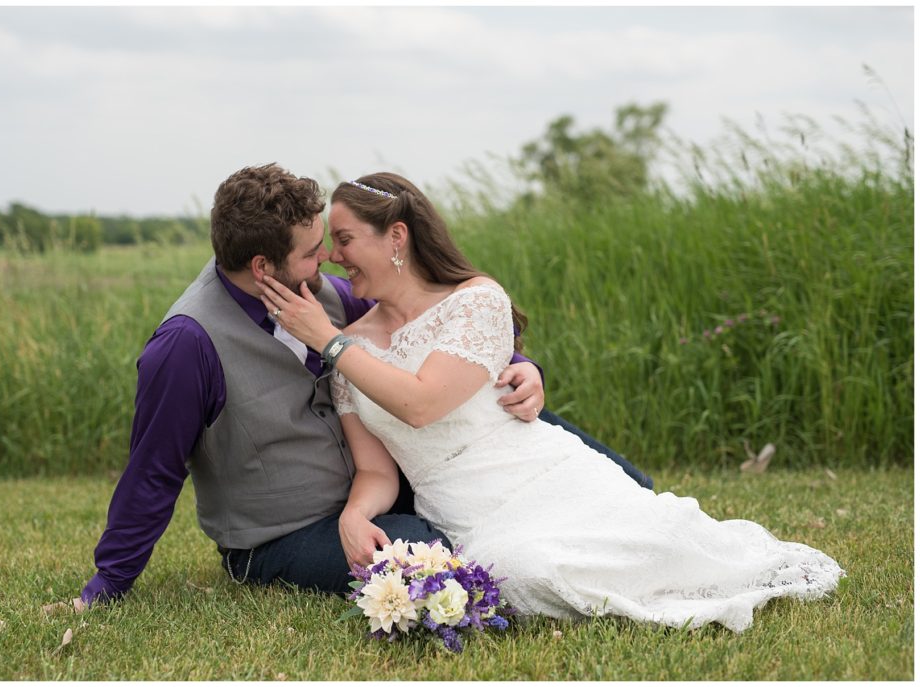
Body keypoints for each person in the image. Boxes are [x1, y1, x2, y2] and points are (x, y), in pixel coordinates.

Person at [257, 172, 846, 632]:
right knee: (524, 573)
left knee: (657, 536)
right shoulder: (351, 350)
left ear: (396, 238)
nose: (333, 256)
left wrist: (329, 341)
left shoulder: (474, 301)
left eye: (344, 239)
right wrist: (355, 515)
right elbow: (377, 469)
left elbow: (421, 404)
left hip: (539, 470)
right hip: (469, 510)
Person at [78, 163, 650, 606]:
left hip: (382, 486)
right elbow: (153, 470)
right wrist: (109, 583)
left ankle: (621, 501)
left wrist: (525, 367)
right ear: (261, 267)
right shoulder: (186, 345)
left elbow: (422, 332)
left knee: (615, 476)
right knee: (435, 559)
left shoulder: (321, 294)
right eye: (312, 253)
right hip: (285, 532)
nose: (327, 259)